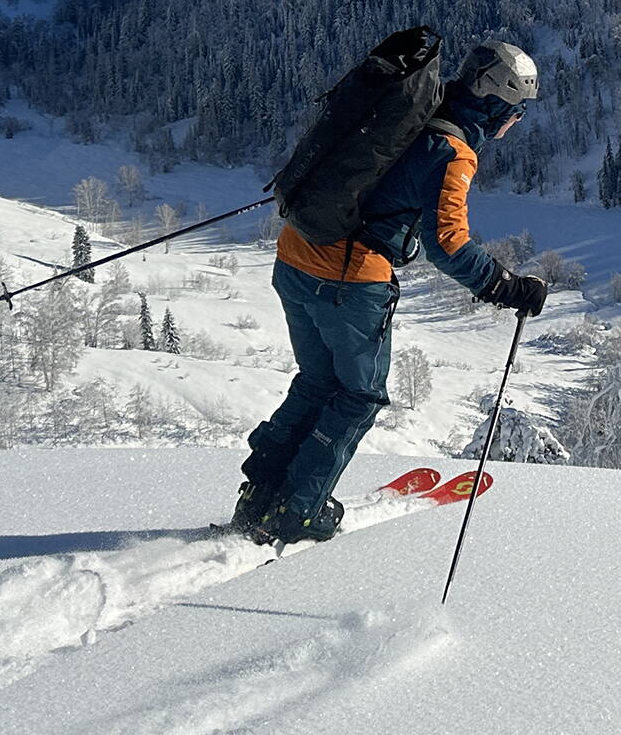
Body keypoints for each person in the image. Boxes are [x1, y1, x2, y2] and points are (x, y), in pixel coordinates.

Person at [235, 41, 549, 544]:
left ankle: (260, 495)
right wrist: (506, 287)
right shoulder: (453, 152)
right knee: (359, 395)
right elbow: (448, 245)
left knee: (317, 382)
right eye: (516, 111)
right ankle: (299, 510)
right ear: (495, 102)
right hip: (348, 278)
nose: (516, 122)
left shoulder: (409, 110)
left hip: (294, 255)